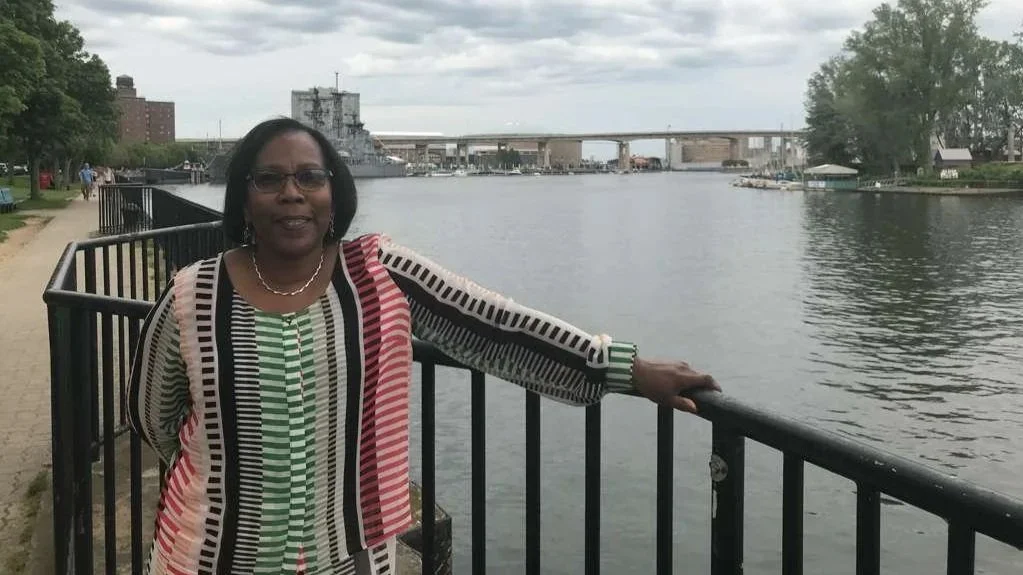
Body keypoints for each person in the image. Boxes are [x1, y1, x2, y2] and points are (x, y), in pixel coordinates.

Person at [126, 118, 720, 575]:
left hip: (351, 557)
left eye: (310, 176)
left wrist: (626, 369)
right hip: (205, 556)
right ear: (244, 197)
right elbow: (153, 415)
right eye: (269, 178)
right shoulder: (193, 293)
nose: (291, 193)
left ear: (334, 192)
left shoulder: (380, 272)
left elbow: (498, 326)